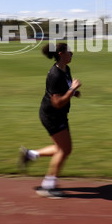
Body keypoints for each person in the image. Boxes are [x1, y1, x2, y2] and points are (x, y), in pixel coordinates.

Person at [19, 42, 82, 198]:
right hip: (52, 115)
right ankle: (48, 186)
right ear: (61, 54)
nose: (72, 54)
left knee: (61, 147)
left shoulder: (66, 69)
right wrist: (72, 89)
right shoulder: (55, 75)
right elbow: (57, 102)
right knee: (64, 149)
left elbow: (64, 92)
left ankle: (30, 155)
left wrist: (72, 93)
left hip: (58, 114)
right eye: (69, 52)